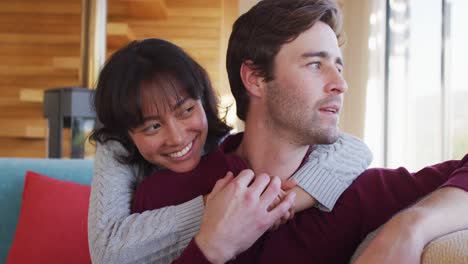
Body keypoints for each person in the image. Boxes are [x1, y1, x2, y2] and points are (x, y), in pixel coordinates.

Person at [132, 0, 468, 263]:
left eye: (338, 65)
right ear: (255, 79)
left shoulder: (353, 193)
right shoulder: (164, 194)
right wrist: (210, 251)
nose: (340, 84)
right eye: (314, 64)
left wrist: (411, 226)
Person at [88, 38, 372, 263]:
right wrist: (217, 207)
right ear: (126, 132)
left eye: (186, 110)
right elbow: (108, 255)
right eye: (152, 127)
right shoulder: (116, 149)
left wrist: (290, 199)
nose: (176, 137)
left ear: (203, 100)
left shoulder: (224, 146)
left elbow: (354, 149)